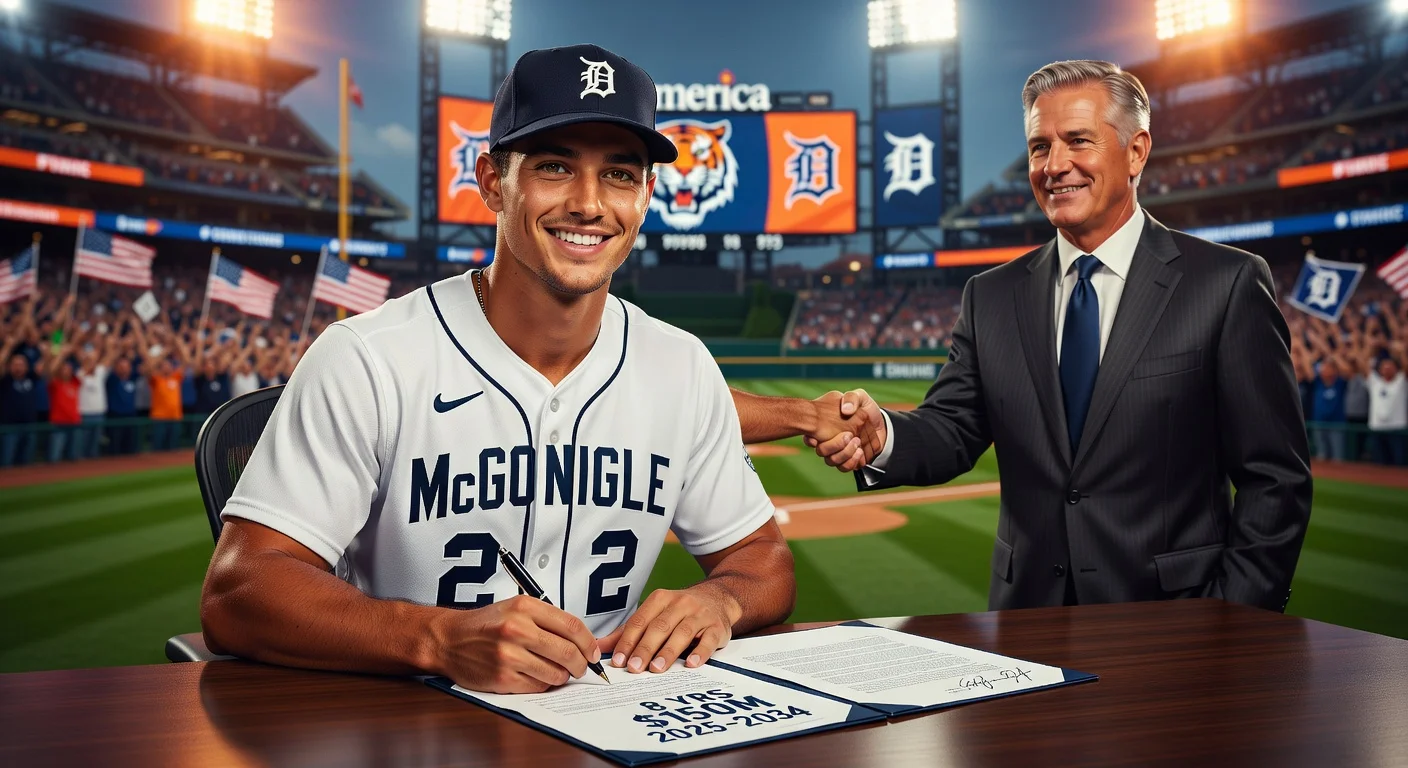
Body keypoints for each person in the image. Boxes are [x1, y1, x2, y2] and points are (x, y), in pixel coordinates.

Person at [201, 45, 825, 695]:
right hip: (408, 716)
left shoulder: (681, 364)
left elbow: (762, 562)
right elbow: (240, 589)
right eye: (555, 167)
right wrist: (434, 639)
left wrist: (719, 601)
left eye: (618, 174)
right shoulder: (369, 356)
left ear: (645, 196)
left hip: (618, 715)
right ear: (494, 181)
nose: (589, 204)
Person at [796, 60, 1312, 612]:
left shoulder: (1225, 283)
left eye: (1078, 140)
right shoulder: (991, 295)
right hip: (1028, 621)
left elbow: (1274, 478)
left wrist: (1234, 617)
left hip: (1176, 626)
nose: (1055, 165)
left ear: (1136, 152)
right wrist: (882, 435)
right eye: (1040, 147)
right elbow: (952, 429)